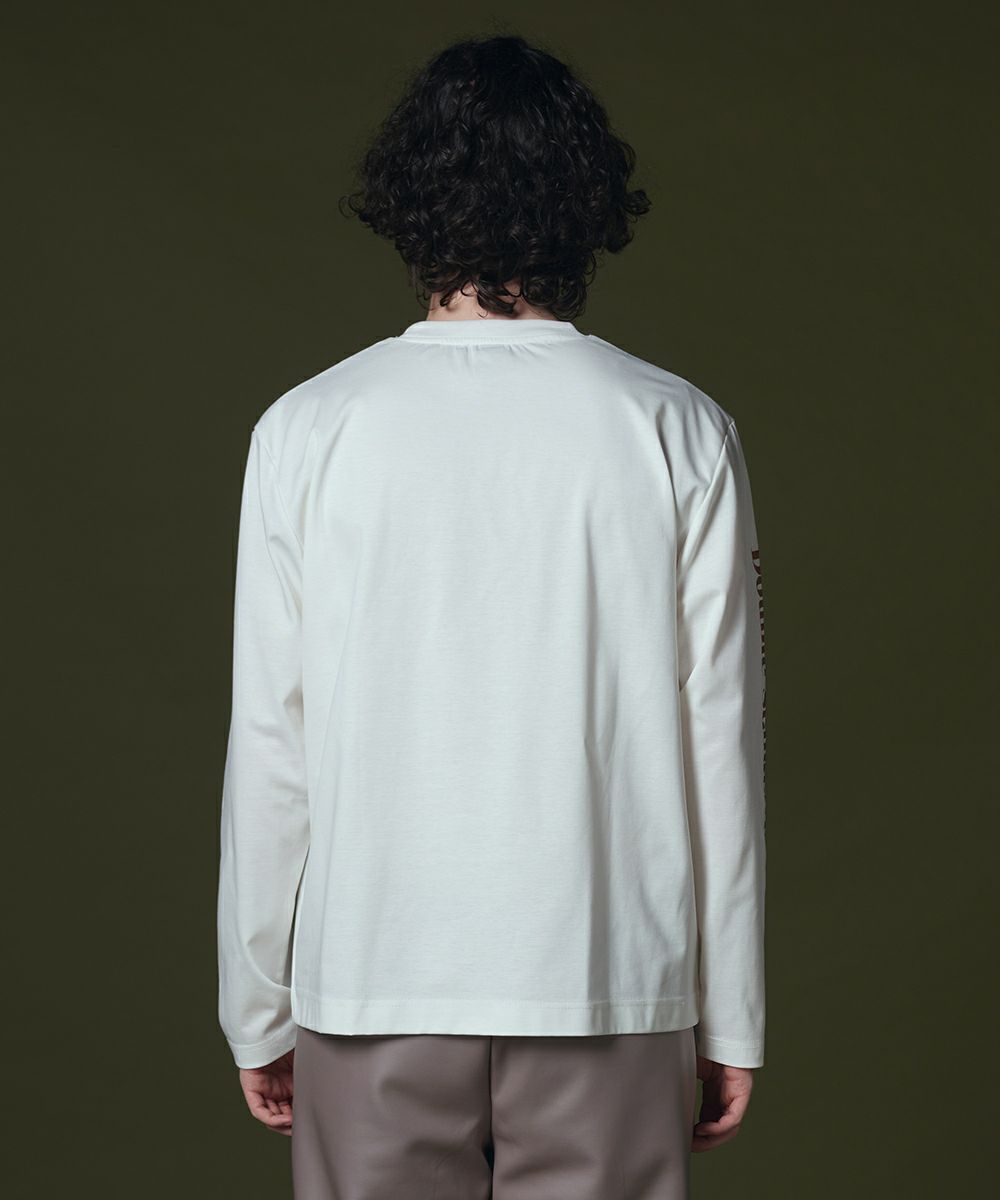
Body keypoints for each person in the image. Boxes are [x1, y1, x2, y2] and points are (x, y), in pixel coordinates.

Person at [217, 31, 767, 1200]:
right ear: (586, 205)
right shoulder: (677, 428)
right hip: (610, 976)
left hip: (371, 978)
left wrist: (255, 1002)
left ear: (409, 200)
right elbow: (718, 740)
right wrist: (732, 1013)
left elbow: (272, 742)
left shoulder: (310, 427)